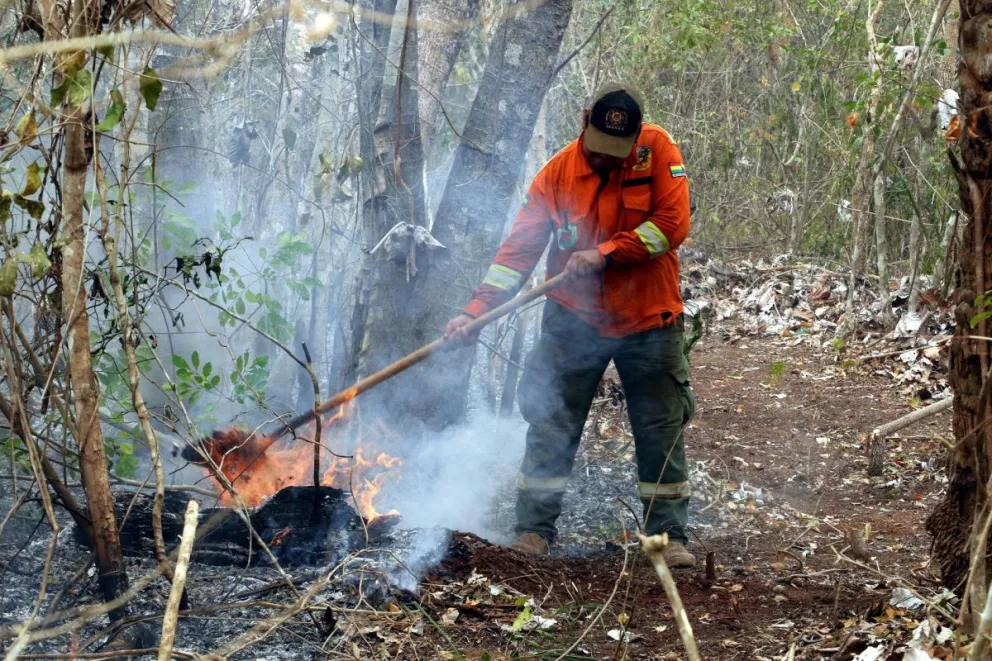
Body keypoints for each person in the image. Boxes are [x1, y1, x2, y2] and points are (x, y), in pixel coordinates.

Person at [444, 83, 696, 567]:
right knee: (551, 418)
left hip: (649, 318)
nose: (607, 160)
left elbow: (672, 223)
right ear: (585, 123)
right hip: (574, 316)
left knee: (660, 427)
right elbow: (514, 255)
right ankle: (534, 531)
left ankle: (667, 539)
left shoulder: (658, 151)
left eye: (617, 153)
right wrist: (476, 312)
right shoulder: (555, 177)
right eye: (600, 149)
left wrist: (605, 253)